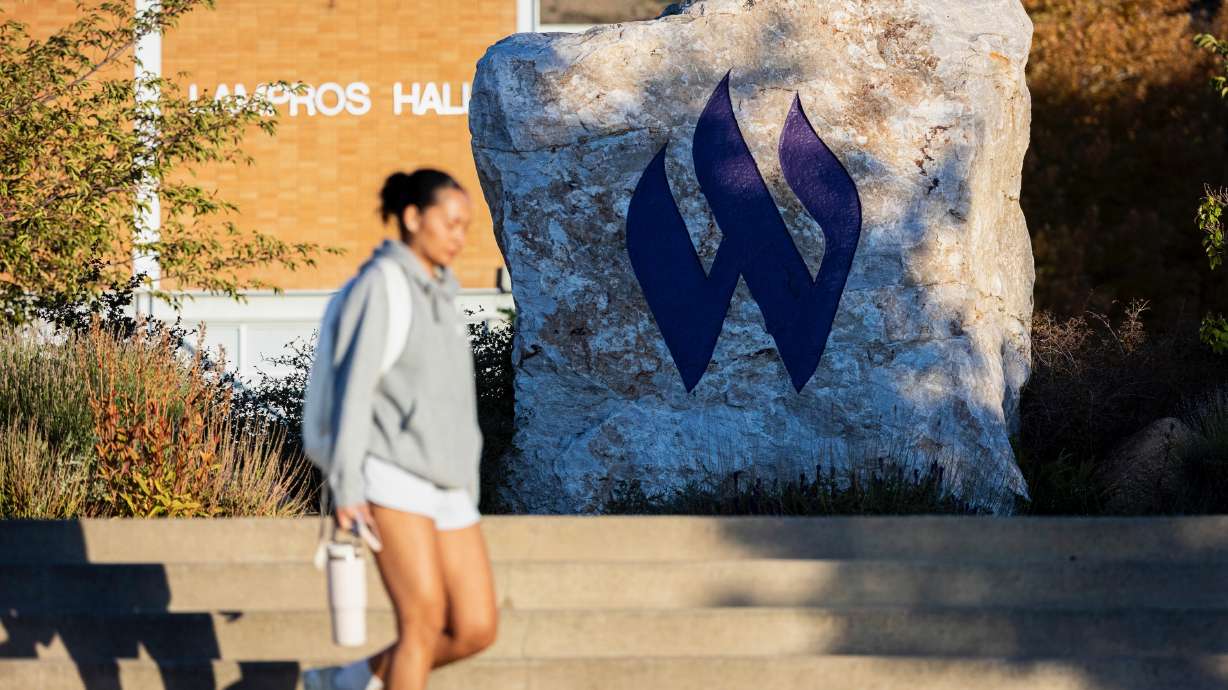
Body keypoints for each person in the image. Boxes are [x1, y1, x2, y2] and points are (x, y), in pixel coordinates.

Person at [302, 169, 497, 690]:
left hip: (449, 483)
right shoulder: (381, 285)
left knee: (477, 626)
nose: (459, 236)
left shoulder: (443, 294)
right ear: (413, 218)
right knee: (422, 623)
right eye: (450, 223)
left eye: (465, 226)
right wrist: (346, 486)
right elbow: (353, 392)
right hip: (393, 473)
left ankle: (343, 682)